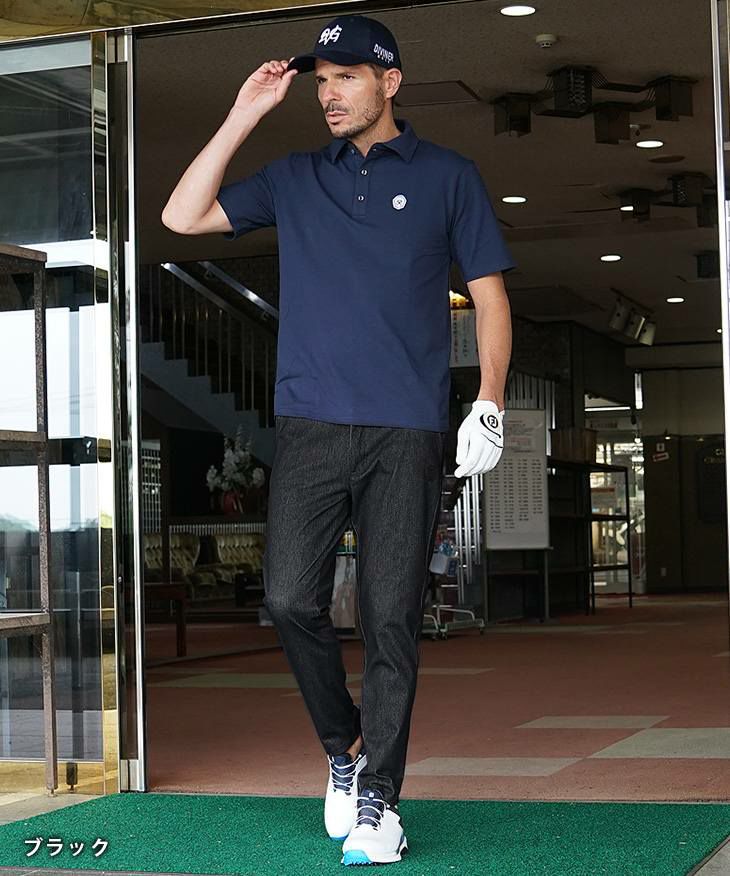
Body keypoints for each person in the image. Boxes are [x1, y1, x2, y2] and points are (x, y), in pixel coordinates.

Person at [161, 13, 515, 866]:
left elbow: (491, 298)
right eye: (321, 81)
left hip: (407, 430)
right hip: (312, 424)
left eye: (347, 77)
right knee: (289, 598)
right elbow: (182, 214)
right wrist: (245, 112)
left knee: (391, 618)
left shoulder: (449, 177)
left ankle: (381, 803)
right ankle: (346, 752)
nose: (329, 94)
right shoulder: (293, 178)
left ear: (390, 83)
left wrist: (489, 401)